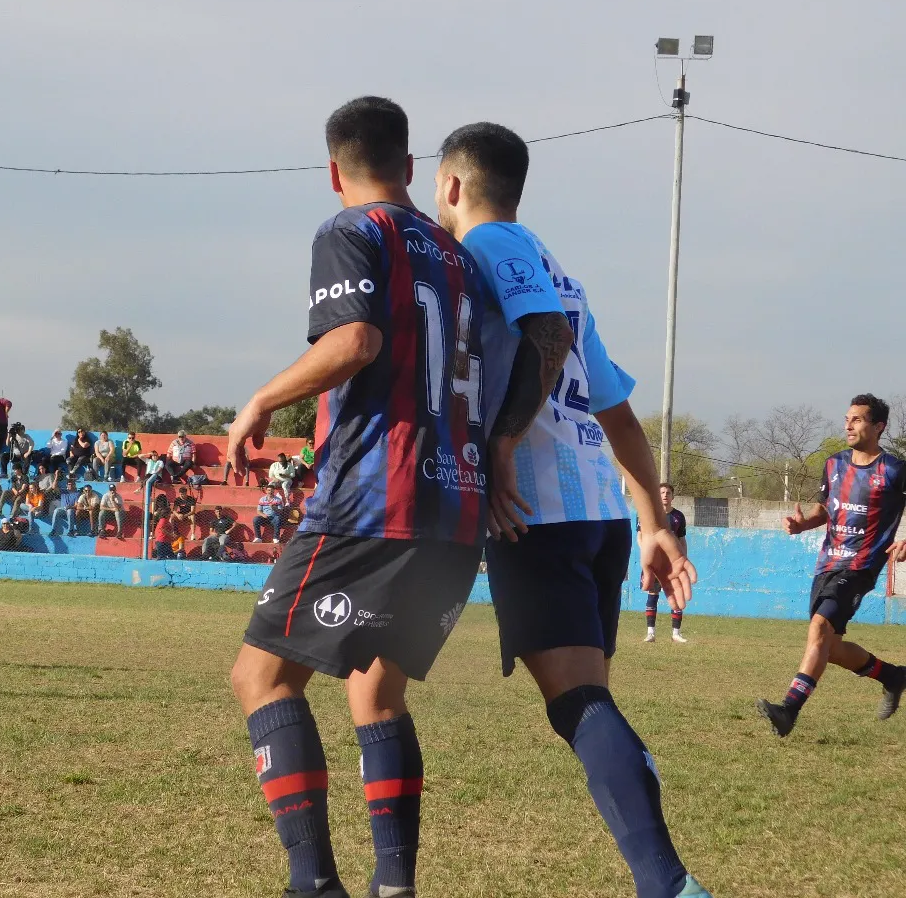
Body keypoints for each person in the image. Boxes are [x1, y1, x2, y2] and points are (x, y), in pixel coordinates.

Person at [433, 121, 707, 897]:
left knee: (580, 707)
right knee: (589, 708)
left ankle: (669, 884)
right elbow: (618, 408)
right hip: (598, 520)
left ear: (454, 185)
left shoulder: (494, 247)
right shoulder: (560, 270)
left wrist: (507, 440)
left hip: (540, 512)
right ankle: (657, 854)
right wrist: (653, 522)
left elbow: (546, 340)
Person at [225, 98, 490, 898]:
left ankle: (313, 884)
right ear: (410, 168)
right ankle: (393, 886)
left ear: (333, 170)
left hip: (377, 500)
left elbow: (355, 341)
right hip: (458, 509)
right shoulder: (457, 253)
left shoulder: (350, 231)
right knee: (376, 690)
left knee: (260, 679)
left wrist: (262, 401)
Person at [757, 394, 906, 739]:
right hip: (827, 564)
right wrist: (801, 525)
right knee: (829, 646)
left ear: (878, 426)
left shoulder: (895, 470)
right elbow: (825, 510)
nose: (848, 425)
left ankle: (789, 710)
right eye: (847, 418)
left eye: (857, 419)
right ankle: (892, 676)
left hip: (860, 567)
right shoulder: (834, 464)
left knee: (820, 627)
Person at [642, 484, 690, 643]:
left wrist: (683, 558)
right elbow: (641, 536)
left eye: (668, 493)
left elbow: (682, 539)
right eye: (662, 492)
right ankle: (650, 633)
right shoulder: (650, 514)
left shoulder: (679, 517)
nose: (665, 495)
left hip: (673, 564)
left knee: (676, 595)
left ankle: (676, 633)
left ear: (673, 496)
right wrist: (648, 555)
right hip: (655, 563)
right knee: (653, 594)